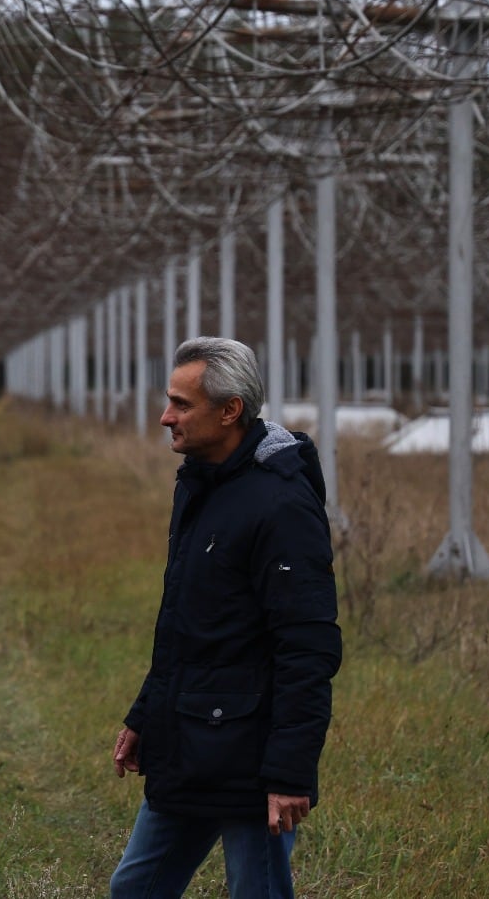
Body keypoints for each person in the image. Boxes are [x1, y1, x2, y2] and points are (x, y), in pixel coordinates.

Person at [109, 337, 342, 899]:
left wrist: (288, 773)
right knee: (134, 890)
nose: (166, 417)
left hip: (250, 763)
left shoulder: (281, 505)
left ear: (230, 409)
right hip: (189, 743)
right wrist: (146, 716)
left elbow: (306, 648)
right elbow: (186, 628)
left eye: (181, 404)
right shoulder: (200, 485)